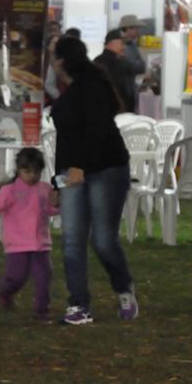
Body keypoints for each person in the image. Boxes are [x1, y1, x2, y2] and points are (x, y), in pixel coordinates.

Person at [51, 35, 138, 326]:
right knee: (72, 239)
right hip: (74, 172)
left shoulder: (92, 87)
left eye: (53, 55)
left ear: (61, 60)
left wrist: (78, 166)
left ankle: (124, 287)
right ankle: (78, 304)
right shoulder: (72, 89)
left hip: (107, 169)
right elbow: (63, 140)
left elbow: (97, 131)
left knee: (102, 239)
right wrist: (57, 180)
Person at [0, 148, 60, 320]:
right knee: (16, 276)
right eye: (27, 171)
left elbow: (49, 210)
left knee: (44, 276)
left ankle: (42, 310)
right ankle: (6, 292)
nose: (32, 176)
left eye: (36, 172)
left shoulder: (45, 189)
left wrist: (56, 205)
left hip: (41, 244)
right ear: (18, 170)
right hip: (17, 245)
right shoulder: (9, 191)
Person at [94, 29, 136, 113]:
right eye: (122, 43)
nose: (124, 47)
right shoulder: (120, 63)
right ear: (113, 42)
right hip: (119, 114)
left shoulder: (96, 61)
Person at [118, 14, 147, 109]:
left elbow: (141, 66)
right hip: (124, 90)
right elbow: (136, 67)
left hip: (129, 88)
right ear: (128, 29)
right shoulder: (125, 46)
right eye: (136, 29)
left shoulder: (132, 44)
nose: (138, 32)